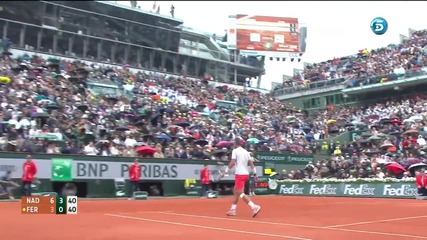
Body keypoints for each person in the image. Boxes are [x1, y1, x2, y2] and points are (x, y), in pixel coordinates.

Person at [221, 138, 261, 217]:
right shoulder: (246, 152)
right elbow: (252, 164)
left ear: (236, 144)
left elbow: (232, 162)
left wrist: (225, 171)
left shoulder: (235, 151)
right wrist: (255, 174)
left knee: (240, 193)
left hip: (239, 174)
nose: (233, 145)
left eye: (233, 143)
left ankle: (254, 207)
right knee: (236, 191)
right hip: (246, 175)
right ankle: (233, 209)